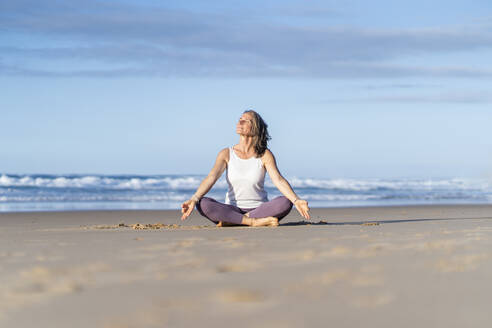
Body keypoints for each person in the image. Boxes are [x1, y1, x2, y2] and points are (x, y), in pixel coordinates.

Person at [180, 110, 311, 227]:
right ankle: (253, 222)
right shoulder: (226, 153)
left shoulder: (264, 154)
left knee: (285, 202)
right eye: (239, 119)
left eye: (245, 120)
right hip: (232, 209)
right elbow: (211, 177)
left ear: (255, 127)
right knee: (203, 203)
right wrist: (194, 199)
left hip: (260, 209)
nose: (239, 122)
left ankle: (234, 221)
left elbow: (278, 180)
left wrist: (296, 200)